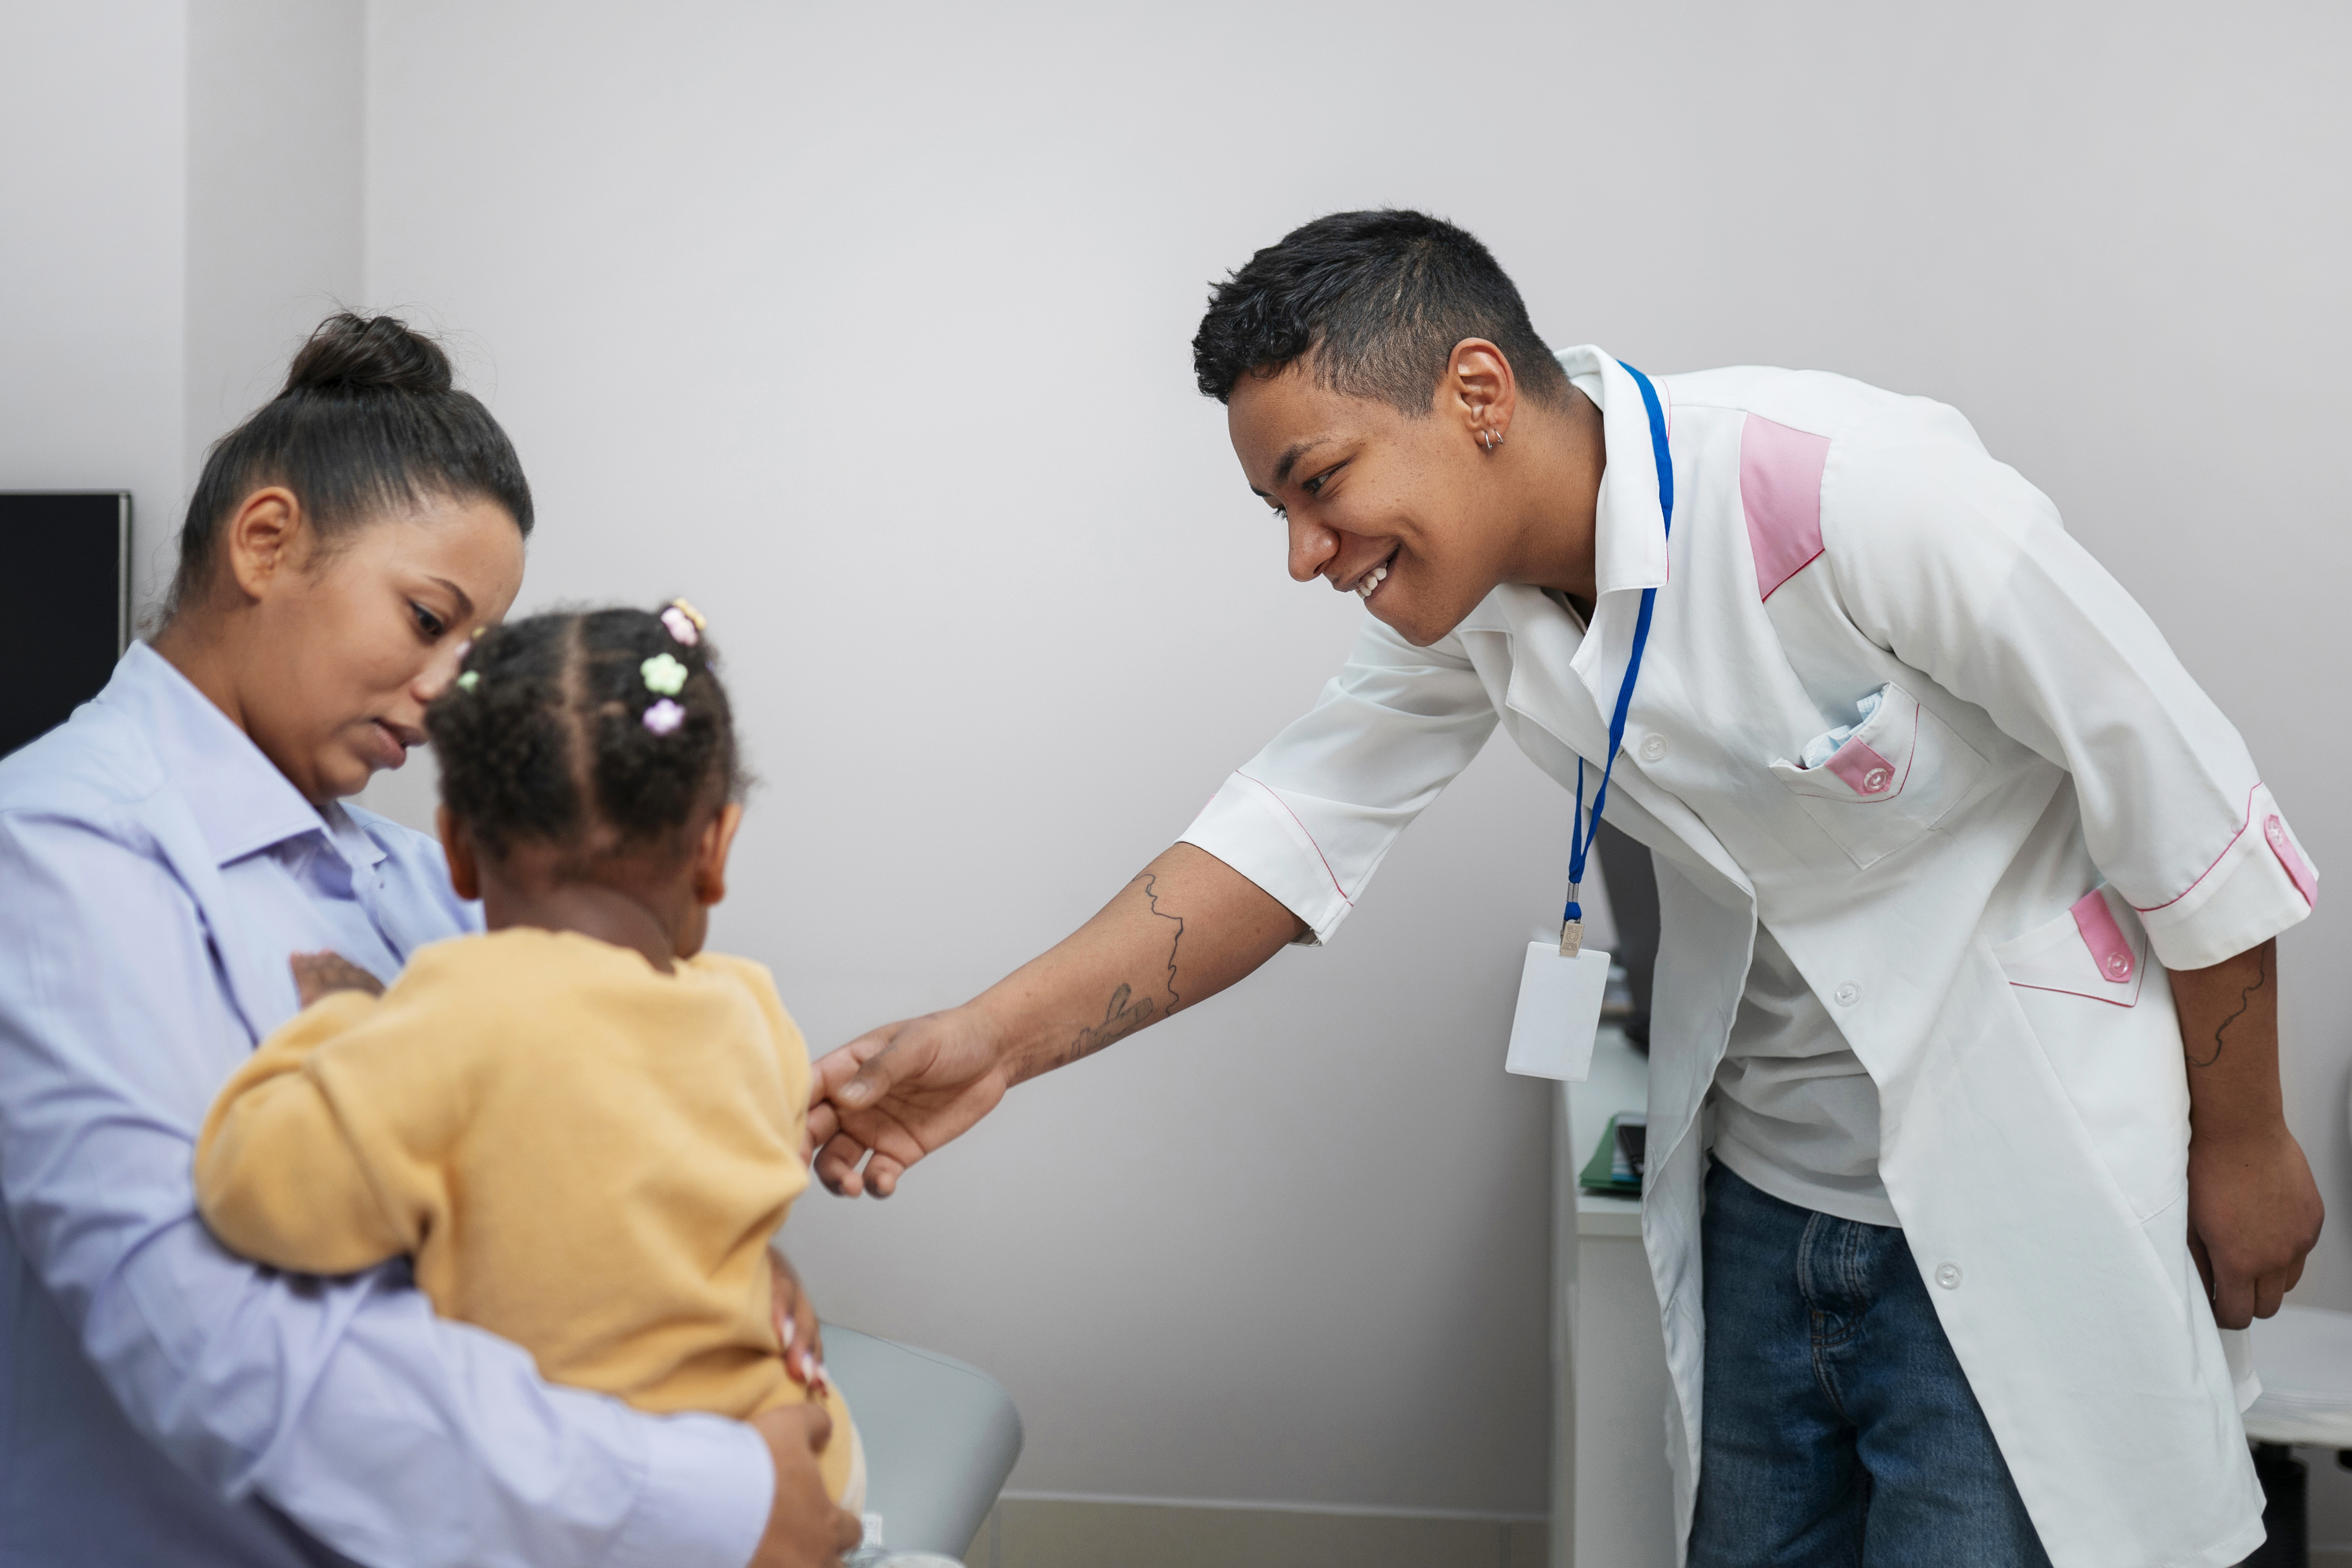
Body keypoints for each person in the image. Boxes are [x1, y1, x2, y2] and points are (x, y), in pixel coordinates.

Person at [805, 211, 2322, 1568]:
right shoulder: (1465, 610)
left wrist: (2247, 1140)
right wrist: (995, 1039)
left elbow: (2180, 803)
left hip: (2020, 1176)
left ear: (1474, 394)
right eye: (1279, 506)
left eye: (1316, 485)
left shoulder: (1853, 490)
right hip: (1761, 1200)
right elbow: (1282, 833)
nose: (1301, 551)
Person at [0, 316, 860, 1568]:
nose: (451, 690)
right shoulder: (55, 851)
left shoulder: (420, 880)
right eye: (426, 620)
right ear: (267, 541)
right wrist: (711, 1498)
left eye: (478, 654)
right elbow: (211, 1342)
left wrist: (738, 1281)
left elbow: (581, 1151)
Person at [193, 602, 865, 1510]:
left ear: (458, 850)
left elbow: (260, 1198)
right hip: (801, 1462)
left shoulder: (451, 1015)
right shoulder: (752, 1010)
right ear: (716, 848)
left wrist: (337, 1026)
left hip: (622, 1498)